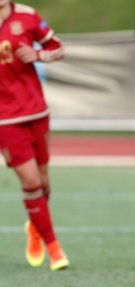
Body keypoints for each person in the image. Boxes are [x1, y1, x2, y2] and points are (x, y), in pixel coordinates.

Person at [0, 0, 69, 271]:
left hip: (36, 112)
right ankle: (54, 248)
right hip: (5, 120)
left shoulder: (27, 17)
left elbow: (58, 47)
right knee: (30, 180)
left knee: (42, 179)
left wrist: (39, 55)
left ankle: (35, 228)